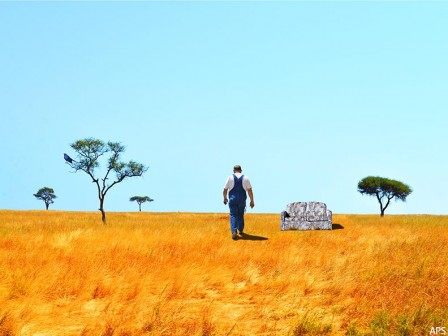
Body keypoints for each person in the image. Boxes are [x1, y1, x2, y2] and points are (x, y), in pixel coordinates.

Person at [223, 165, 255, 240]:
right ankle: (240, 230)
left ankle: (234, 231)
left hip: (232, 199)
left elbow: (225, 190)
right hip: (242, 199)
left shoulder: (230, 177)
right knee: (240, 214)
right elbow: (249, 190)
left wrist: (225, 198)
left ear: (234, 170)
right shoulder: (246, 178)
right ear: (241, 170)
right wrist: (252, 200)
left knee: (233, 215)